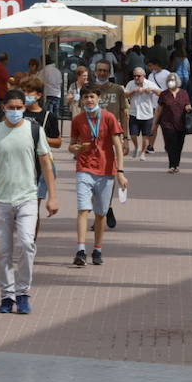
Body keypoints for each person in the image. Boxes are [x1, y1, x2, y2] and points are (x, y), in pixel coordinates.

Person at [0, 90, 57, 315]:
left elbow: (46, 164)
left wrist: (52, 196)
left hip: (27, 197)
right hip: (0, 199)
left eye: (20, 107)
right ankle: (7, 295)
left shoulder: (34, 130)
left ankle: (23, 293)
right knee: (4, 250)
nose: (16, 111)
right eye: (11, 107)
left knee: (27, 244)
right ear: (3, 108)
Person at [69, 88, 127, 267]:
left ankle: (97, 249)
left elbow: (118, 146)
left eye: (92, 97)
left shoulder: (108, 117)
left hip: (106, 170)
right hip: (84, 168)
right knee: (82, 210)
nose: (88, 100)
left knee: (101, 213)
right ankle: (80, 250)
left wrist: (120, 172)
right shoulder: (78, 119)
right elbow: (71, 145)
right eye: (85, 97)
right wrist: (77, 149)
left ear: (98, 98)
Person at [22, 77, 62, 235]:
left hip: (40, 166)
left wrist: (41, 138)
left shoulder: (48, 116)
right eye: (23, 92)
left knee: (33, 208)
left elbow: (58, 142)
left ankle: (30, 243)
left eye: (28, 92)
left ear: (38, 95)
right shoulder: (18, 112)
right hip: (20, 165)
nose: (25, 95)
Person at [154, 74, 192, 174]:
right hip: (167, 123)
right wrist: (154, 123)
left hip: (181, 123)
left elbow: (187, 104)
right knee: (170, 144)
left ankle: (176, 164)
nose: (171, 82)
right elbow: (159, 109)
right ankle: (172, 165)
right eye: (169, 80)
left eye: (173, 80)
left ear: (177, 81)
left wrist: (188, 108)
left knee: (179, 145)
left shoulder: (184, 93)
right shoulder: (164, 94)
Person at [124, 67, 159, 161]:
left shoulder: (149, 84)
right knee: (133, 135)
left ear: (144, 76)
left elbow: (160, 93)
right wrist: (134, 91)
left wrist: (151, 90)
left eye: (138, 76)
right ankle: (136, 147)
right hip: (134, 113)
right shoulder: (131, 83)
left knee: (146, 136)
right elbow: (124, 94)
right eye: (134, 76)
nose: (136, 78)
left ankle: (143, 152)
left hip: (147, 114)